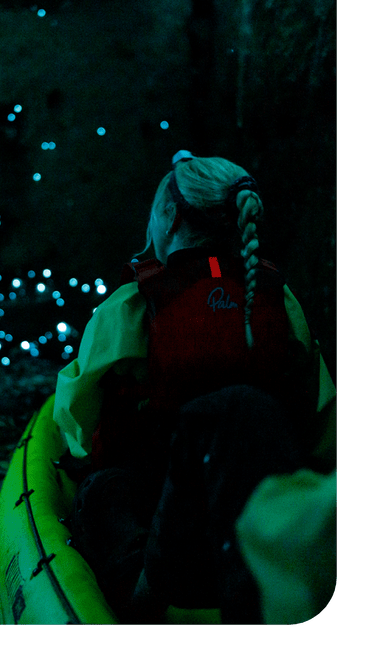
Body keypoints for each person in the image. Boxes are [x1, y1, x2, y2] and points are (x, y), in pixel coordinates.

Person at [53, 151, 336, 623]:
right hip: (252, 518)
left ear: (168, 215)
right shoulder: (278, 299)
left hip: (163, 522)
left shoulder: (130, 306)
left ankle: (137, 596)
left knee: (103, 490)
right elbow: (322, 423)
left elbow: (77, 424)